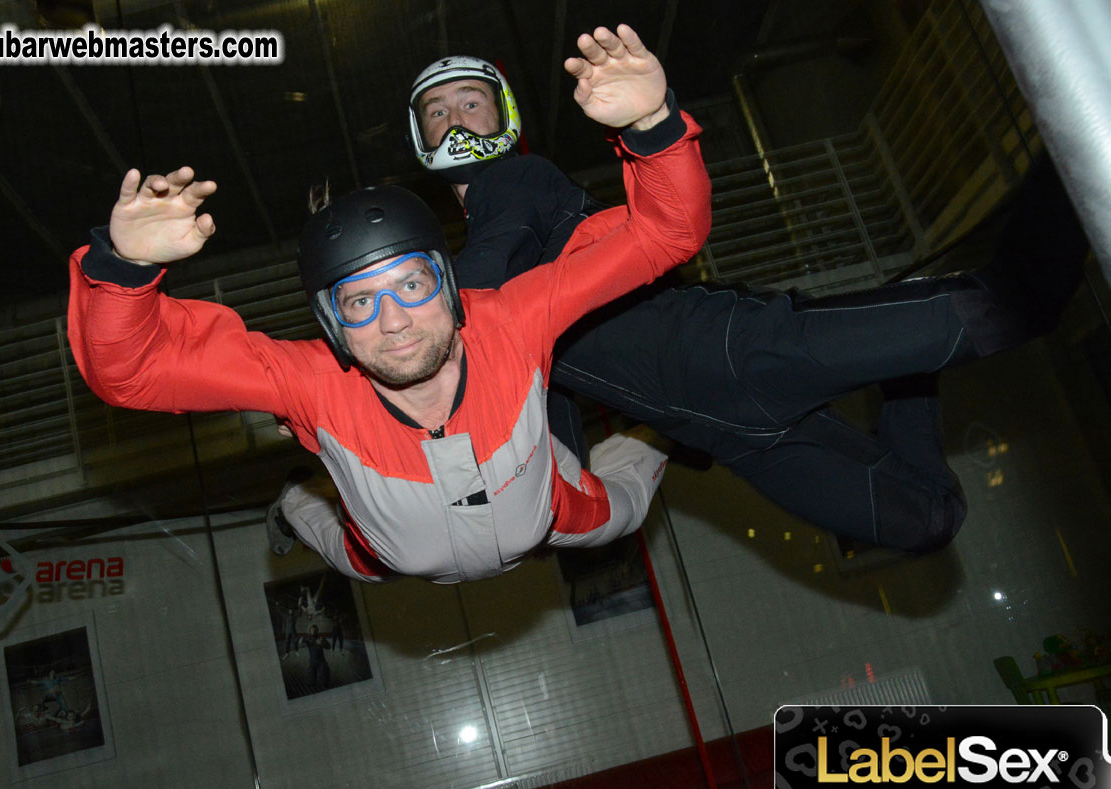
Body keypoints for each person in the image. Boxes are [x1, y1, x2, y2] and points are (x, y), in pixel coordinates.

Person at [406, 29, 1091, 554]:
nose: (456, 119)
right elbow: (533, 402)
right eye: (437, 111)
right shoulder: (483, 285)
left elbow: (482, 290)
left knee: (1011, 305)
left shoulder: (514, 191)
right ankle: (910, 370)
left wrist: (382, 373)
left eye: (471, 102)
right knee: (929, 520)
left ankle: (1093, 114)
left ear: (504, 116)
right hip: (730, 433)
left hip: (738, 351)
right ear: (420, 135)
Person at [68, 25, 712, 583]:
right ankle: (297, 500)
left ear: (452, 284)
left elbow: (666, 232)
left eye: (411, 286)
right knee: (334, 536)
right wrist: (124, 268)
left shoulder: (512, 319)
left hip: (549, 510)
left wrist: (650, 124)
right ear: (330, 324)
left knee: (619, 511)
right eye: (359, 302)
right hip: (381, 554)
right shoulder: (309, 384)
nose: (394, 321)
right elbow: (132, 372)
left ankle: (658, 435)